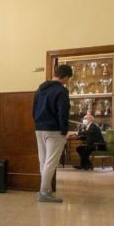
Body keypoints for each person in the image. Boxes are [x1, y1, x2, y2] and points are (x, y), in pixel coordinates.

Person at [32, 64, 73, 203]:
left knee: (43, 161)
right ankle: (44, 192)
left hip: (39, 128)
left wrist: (38, 124)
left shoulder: (39, 89)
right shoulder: (61, 90)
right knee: (51, 162)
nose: (67, 81)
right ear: (65, 77)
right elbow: (63, 112)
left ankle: (46, 190)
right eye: (68, 79)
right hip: (54, 130)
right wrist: (64, 130)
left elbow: (33, 110)